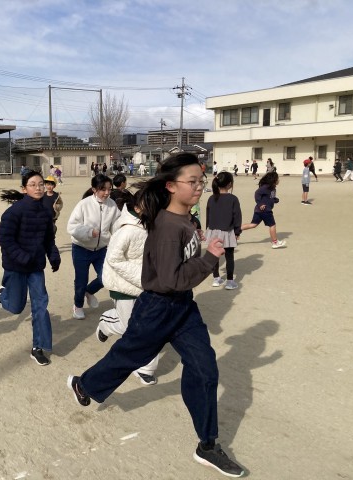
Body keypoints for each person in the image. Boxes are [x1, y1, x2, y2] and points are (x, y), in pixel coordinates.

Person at [67, 153, 245, 478]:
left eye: (201, 180)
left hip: (183, 307)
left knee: (205, 369)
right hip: (157, 307)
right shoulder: (167, 227)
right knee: (128, 356)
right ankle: (84, 384)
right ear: (171, 186)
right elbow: (170, 279)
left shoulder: (185, 220)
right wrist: (209, 259)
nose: (199, 187)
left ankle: (207, 445)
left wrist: (202, 247)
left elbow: (180, 273)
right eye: (192, 181)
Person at [0, 171, 61, 366]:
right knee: (16, 307)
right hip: (16, 266)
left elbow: (49, 239)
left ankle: (38, 347)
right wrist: (22, 257)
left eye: (40, 184)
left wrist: (54, 256)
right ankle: (2, 294)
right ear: (24, 189)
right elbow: (5, 239)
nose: (38, 188)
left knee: (40, 305)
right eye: (33, 184)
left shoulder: (46, 212)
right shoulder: (14, 212)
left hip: (36, 267)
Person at [96, 191, 160, 385]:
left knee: (151, 326)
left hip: (147, 285)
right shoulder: (126, 230)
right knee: (127, 327)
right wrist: (141, 276)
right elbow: (113, 259)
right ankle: (107, 322)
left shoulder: (154, 225)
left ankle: (146, 368)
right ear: (138, 207)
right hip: (123, 286)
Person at [67, 174, 120, 320]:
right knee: (81, 280)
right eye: (103, 189)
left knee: (105, 277)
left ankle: (89, 291)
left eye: (109, 189)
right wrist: (89, 232)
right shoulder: (83, 204)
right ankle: (78, 305)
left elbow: (117, 224)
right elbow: (72, 226)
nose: (107, 193)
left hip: (101, 249)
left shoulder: (112, 205)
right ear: (94, 189)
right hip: (81, 249)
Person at [206, 172, 242, 290]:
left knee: (214, 255)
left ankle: (216, 278)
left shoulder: (211, 198)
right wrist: (237, 231)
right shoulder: (233, 199)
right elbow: (237, 216)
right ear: (230, 184)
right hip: (227, 230)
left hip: (213, 230)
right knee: (229, 256)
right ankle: (230, 281)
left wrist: (208, 229)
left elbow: (208, 215)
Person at [241, 171, 286, 249]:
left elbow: (269, 197)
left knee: (253, 224)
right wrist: (260, 204)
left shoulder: (272, 188)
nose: (279, 180)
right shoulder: (266, 187)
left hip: (259, 211)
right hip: (265, 210)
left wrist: (275, 199)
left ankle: (237, 229)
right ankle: (275, 242)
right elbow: (257, 193)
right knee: (272, 225)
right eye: (277, 179)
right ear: (273, 180)